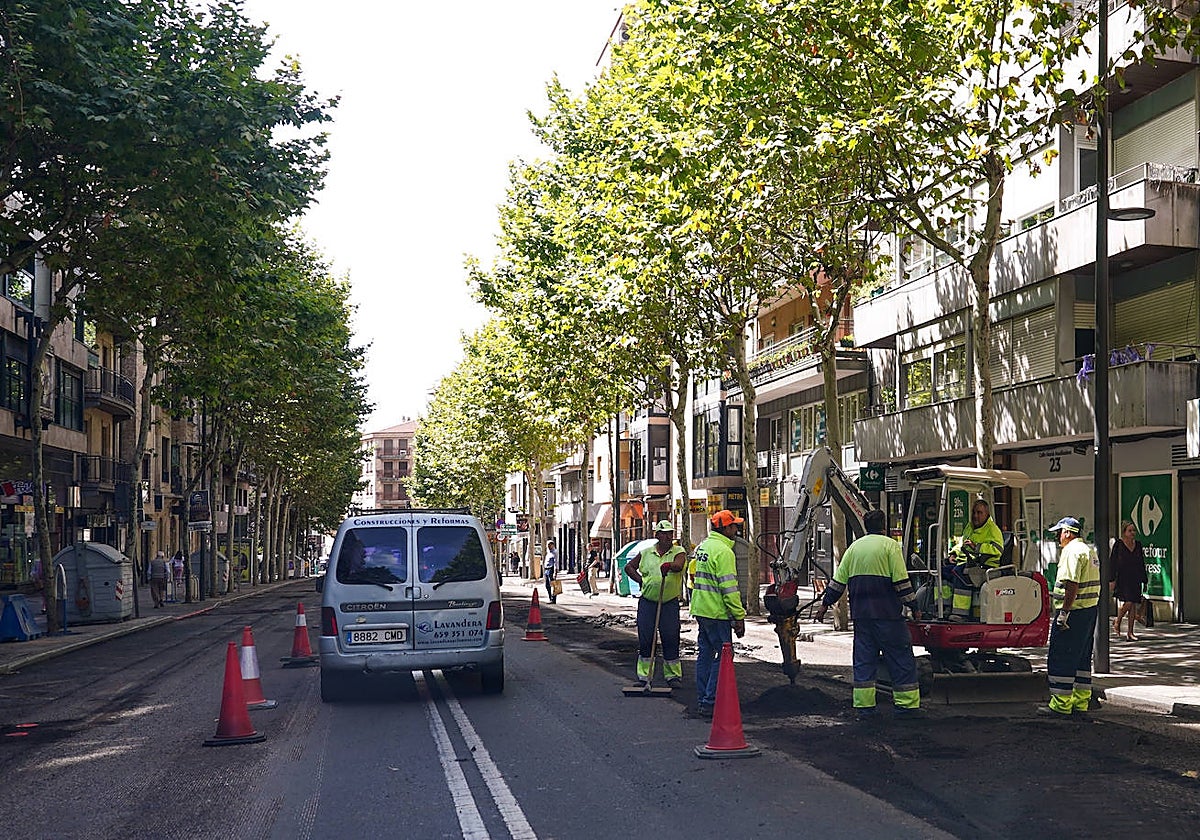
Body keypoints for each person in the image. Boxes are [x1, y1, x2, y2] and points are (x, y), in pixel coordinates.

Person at [815, 508, 921, 717]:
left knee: (864, 661)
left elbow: (837, 583)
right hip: (888, 616)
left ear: (866, 526)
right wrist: (915, 607)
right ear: (884, 526)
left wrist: (824, 605)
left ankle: (864, 706)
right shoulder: (890, 546)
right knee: (900, 659)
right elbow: (901, 582)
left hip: (862, 617)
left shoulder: (854, 549)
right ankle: (907, 706)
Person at [689, 510, 747, 716]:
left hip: (701, 609)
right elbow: (729, 588)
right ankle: (710, 700)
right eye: (733, 526)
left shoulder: (704, 546)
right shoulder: (723, 552)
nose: (736, 529)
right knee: (723, 656)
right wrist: (738, 616)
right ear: (724, 528)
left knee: (705, 653)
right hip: (716, 612)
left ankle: (702, 696)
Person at [1042, 516, 1101, 717]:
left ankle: (1060, 704)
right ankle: (1080, 702)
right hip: (1089, 611)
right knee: (1082, 658)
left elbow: (1071, 584)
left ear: (1068, 532)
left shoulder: (1071, 552)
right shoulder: (1089, 550)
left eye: (1059, 532)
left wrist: (1064, 612)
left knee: (1062, 656)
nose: (1058, 537)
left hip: (1072, 612)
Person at [625, 521, 686, 688]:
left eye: (670, 533)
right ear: (657, 535)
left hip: (668, 603)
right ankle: (645, 676)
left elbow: (679, 565)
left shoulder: (678, 552)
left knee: (671, 637)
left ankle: (673, 676)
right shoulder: (646, 553)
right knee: (646, 639)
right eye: (664, 533)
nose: (668, 537)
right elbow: (629, 567)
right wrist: (641, 581)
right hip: (648, 603)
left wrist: (670, 566)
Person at [945, 499, 1005, 622]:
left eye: (979, 512)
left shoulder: (993, 529)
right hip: (968, 563)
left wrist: (976, 546)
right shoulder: (970, 526)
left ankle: (960, 613)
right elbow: (962, 543)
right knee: (943, 571)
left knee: (959, 572)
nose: (975, 516)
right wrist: (953, 554)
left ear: (987, 514)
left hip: (986, 566)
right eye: (974, 512)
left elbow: (997, 549)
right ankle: (944, 607)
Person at [1109, 520, 1148, 642]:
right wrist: (1112, 579)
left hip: (1135, 577)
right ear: (1124, 532)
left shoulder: (1138, 545)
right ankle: (1118, 619)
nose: (1132, 533)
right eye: (1130, 531)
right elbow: (1113, 563)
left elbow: (1141, 563)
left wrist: (1144, 580)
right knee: (1129, 602)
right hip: (1123, 578)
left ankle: (1130, 632)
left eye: (1133, 530)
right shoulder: (1118, 545)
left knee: (1133, 606)